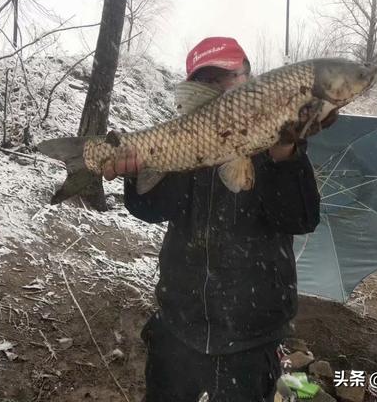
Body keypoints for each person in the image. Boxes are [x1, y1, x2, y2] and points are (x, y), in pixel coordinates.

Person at [102, 37, 333, 401]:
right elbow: (150, 210)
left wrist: (285, 153)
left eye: (226, 77)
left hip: (252, 334)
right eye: (206, 81)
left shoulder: (278, 144)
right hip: (179, 321)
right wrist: (135, 172)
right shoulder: (181, 141)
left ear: (251, 79)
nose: (218, 88)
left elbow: (301, 218)